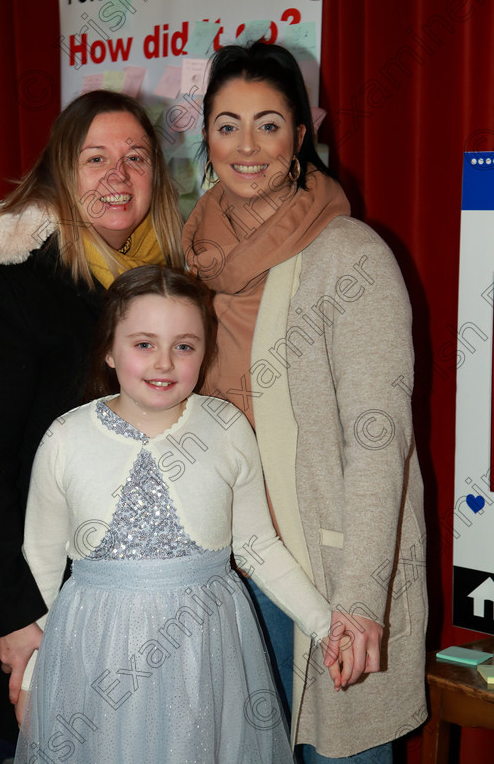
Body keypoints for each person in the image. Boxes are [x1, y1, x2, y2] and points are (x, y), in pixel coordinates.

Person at [183, 42, 428, 763]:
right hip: (223, 569)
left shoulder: (349, 256)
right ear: (206, 136)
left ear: (300, 135)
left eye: (268, 123)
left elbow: (378, 438)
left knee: (335, 752)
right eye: (227, 124)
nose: (246, 145)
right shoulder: (194, 257)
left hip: (323, 576)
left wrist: (358, 597)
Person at [13, 264, 340, 764]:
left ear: (204, 352)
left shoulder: (227, 427)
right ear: (108, 348)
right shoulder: (66, 438)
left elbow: (257, 546)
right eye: (143, 343)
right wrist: (35, 675)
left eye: (184, 346)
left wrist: (324, 624)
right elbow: (39, 560)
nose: (164, 362)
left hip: (205, 652)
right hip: (97, 658)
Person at [0, 90, 184, 748]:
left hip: (148, 600)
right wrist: (15, 615)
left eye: (136, 158)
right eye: (96, 158)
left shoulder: (167, 282)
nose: (118, 175)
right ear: (58, 172)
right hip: (49, 603)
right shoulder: (6, 281)